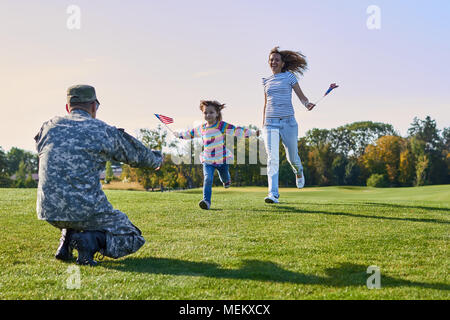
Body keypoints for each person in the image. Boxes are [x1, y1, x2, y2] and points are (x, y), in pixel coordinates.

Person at [35, 84, 163, 266]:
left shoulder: (47, 127)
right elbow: (138, 156)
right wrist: (157, 159)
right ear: (94, 106)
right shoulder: (102, 130)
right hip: (85, 211)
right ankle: (89, 241)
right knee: (132, 236)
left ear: (67, 107)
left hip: (49, 211)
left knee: (73, 197)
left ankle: (66, 241)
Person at [175, 100, 256, 210]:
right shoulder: (202, 128)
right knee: (208, 179)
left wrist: (251, 133)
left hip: (222, 159)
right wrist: (180, 135)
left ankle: (226, 181)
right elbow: (190, 134)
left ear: (217, 113)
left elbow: (236, 130)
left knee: (225, 176)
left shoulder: (221, 125)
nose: (208, 115)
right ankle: (206, 201)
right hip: (208, 160)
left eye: (211, 112)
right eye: (205, 113)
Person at [262, 46, 316, 204]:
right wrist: (263, 123)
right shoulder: (266, 81)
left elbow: (301, 96)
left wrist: (307, 104)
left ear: (283, 63)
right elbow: (265, 104)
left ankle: (298, 171)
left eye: (276, 60)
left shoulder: (289, 77)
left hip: (288, 122)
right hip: (270, 123)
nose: (273, 62)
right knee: (272, 159)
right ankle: (273, 194)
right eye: (271, 60)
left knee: (292, 157)